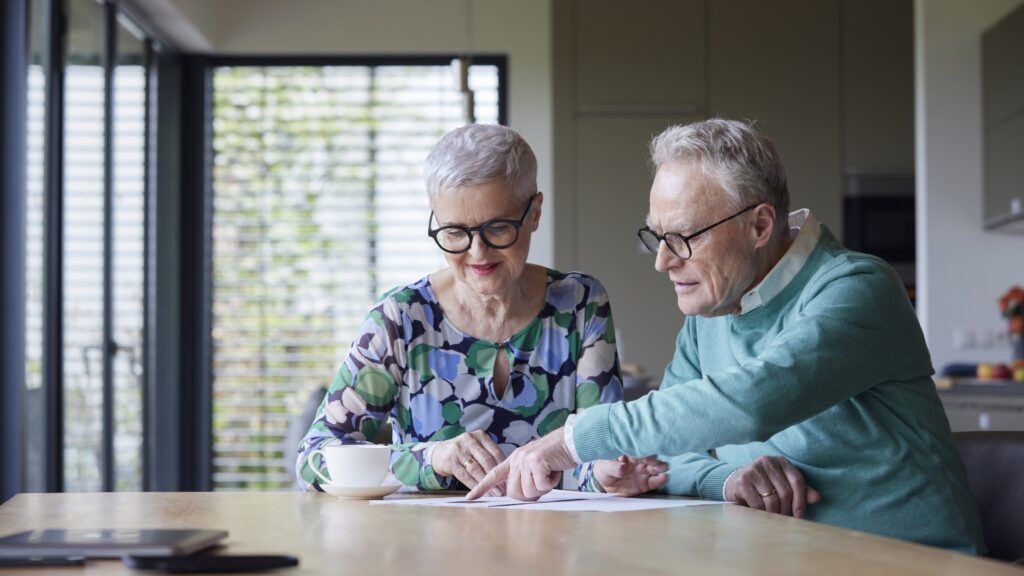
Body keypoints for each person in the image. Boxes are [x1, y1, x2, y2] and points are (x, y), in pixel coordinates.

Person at [469, 119, 986, 554]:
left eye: (683, 238)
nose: (663, 261)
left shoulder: (857, 289)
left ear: (760, 225)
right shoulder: (711, 311)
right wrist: (729, 479)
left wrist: (570, 441)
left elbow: (753, 402)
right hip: (791, 557)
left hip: (913, 563)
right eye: (657, 235)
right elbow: (665, 450)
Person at [297, 124, 654, 494]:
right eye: (454, 233)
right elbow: (314, 459)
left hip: (554, 539)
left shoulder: (580, 303)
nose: (477, 253)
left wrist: (606, 474)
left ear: (534, 213)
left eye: (497, 228)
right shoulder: (401, 319)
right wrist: (430, 458)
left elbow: (595, 450)